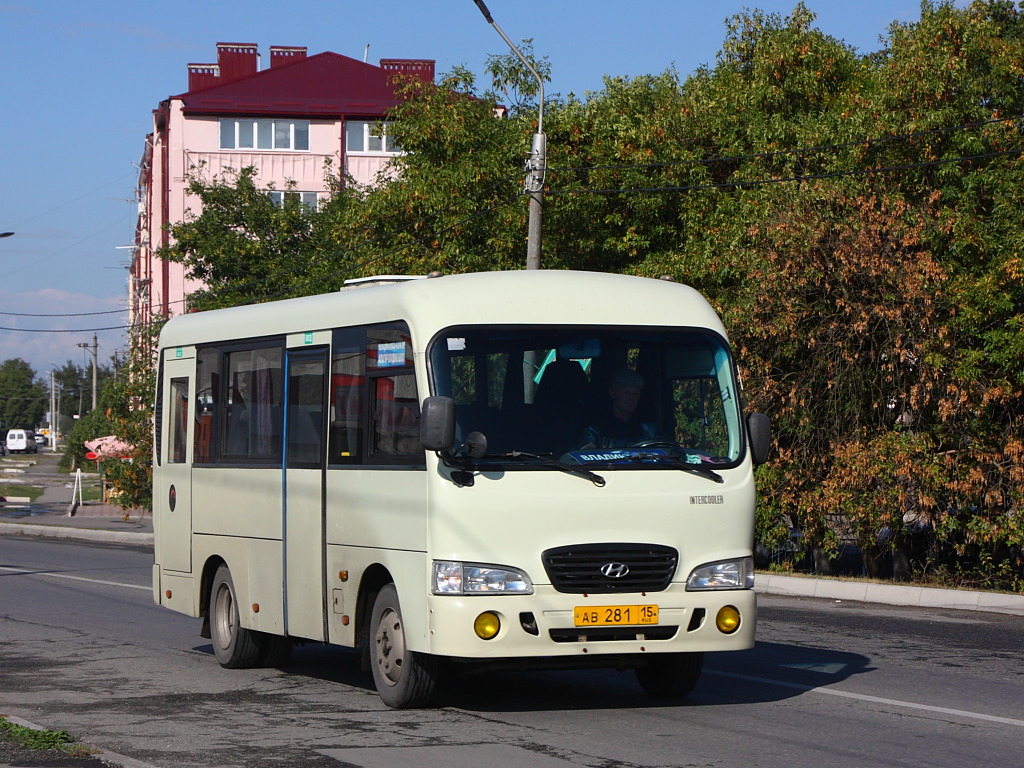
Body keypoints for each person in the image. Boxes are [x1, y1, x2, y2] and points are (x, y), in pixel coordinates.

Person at [581, 369, 659, 449]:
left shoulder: (649, 430)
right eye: (626, 393)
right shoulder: (596, 431)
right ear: (613, 393)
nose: (631, 398)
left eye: (636, 394)